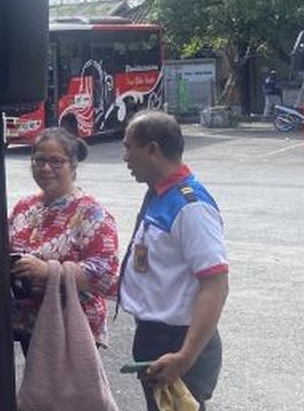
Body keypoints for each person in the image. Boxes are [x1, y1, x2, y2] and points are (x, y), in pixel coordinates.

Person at [119, 111, 228, 411]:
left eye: (129, 147)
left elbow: (215, 286)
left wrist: (185, 356)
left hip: (179, 341)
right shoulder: (159, 195)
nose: (124, 156)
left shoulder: (190, 206)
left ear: (152, 149)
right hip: (156, 336)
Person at [9, 127, 119, 352]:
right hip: (30, 326)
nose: (46, 168)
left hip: (74, 330)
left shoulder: (92, 213)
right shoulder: (24, 207)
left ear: (73, 165)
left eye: (56, 161)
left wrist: (48, 271)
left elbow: (107, 275)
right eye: (39, 160)